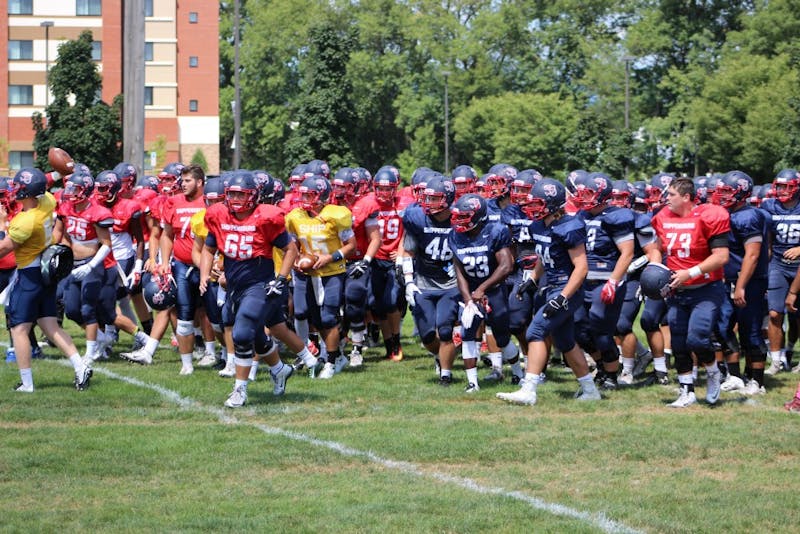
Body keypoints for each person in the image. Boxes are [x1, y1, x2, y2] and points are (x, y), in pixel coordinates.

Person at [201, 170, 308, 408]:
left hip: (259, 284)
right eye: (233, 194)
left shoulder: (265, 218)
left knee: (241, 334)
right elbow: (209, 249)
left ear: (254, 196)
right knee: (257, 336)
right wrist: (204, 275)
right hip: (234, 286)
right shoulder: (219, 215)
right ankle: (280, 370)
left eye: (242, 194)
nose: (236, 199)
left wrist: (281, 278)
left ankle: (240, 390)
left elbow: (290, 250)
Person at [497, 178, 600, 405]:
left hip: (566, 288)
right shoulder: (539, 225)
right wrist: (533, 279)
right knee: (565, 341)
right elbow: (545, 255)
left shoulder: (569, 227)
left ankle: (529, 390)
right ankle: (591, 390)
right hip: (551, 285)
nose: (532, 208)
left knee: (535, 331)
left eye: (538, 203)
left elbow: (582, 268)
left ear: (553, 204)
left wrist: (563, 297)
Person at [0, 168, 92, 392]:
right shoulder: (48, 201)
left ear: (29, 192)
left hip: (30, 275)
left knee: (19, 328)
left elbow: (4, 249)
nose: (15, 191)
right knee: (50, 325)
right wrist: (57, 172)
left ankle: (27, 383)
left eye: (20, 188)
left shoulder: (25, 221)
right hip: (46, 271)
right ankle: (81, 367)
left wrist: (3, 224)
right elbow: (47, 185)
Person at [650, 177, 730, 408]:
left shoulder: (709, 216)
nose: (667, 199)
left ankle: (713, 371)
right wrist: (656, 270)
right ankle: (687, 392)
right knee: (678, 343)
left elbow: (721, 256)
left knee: (697, 338)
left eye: (672, 195)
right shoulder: (663, 217)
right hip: (678, 289)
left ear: (686, 197)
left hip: (706, 288)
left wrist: (691, 272)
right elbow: (657, 248)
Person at [285, 174, 356, 379]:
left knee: (328, 317)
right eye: (304, 195)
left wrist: (329, 257)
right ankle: (338, 356)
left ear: (323, 196)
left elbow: (351, 246)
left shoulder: (337, 215)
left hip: (332, 271)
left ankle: (331, 362)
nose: (305, 199)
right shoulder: (295, 216)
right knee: (315, 318)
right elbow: (291, 245)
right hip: (309, 274)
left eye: (310, 195)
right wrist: (298, 259)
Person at [448, 193, 515, 393]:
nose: (459, 221)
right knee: (467, 333)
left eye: (464, 216)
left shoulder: (495, 231)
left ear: (478, 216)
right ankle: (472, 383)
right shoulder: (455, 235)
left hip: (493, 290)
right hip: (471, 292)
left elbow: (506, 266)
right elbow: (459, 271)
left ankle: (517, 371)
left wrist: (482, 289)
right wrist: (468, 298)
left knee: (502, 337)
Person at [711, 171, 769, 395]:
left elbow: (752, 255)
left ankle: (757, 381)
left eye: (727, 191)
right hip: (726, 280)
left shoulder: (749, 216)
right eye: (721, 190)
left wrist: (742, 285)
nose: (721, 195)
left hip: (749, 281)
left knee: (751, 331)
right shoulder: (725, 213)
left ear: (742, 193)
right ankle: (734, 375)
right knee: (722, 327)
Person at [401, 175, 461, 385]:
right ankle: (440, 356)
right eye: (427, 198)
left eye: (434, 199)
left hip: (451, 284)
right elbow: (408, 252)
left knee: (445, 330)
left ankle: (446, 374)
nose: (428, 203)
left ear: (448, 199)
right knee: (427, 336)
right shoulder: (417, 217)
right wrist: (409, 282)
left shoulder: (459, 218)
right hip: (424, 282)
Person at [159, 164, 207, 375]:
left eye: (188, 180)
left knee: (212, 312)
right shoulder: (173, 202)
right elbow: (167, 234)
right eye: (182, 180)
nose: (183, 184)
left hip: (207, 264)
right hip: (181, 263)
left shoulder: (209, 201)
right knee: (184, 312)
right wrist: (164, 261)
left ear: (199, 182)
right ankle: (187, 363)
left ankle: (217, 354)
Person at [761, 169, 800, 375]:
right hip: (778, 262)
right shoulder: (769, 205)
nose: (783, 190)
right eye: (780, 186)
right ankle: (776, 361)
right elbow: (767, 240)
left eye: (788, 186)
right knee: (774, 313)